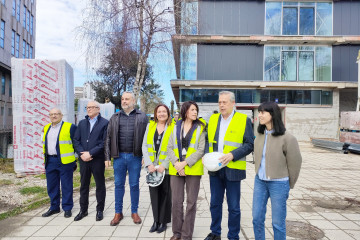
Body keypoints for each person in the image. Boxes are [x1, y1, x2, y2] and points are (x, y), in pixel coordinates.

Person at [205, 91, 254, 240]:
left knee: (233, 207)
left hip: (233, 169)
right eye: (219, 102)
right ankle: (215, 233)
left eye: (224, 102)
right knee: (215, 203)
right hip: (215, 169)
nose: (221, 105)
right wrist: (206, 157)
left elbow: (250, 144)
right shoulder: (213, 119)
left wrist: (233, 155)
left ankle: (233, 236)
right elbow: (208, 140)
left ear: (233, 103)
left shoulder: (243, 119)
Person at [252, 102, 302, 240]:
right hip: (260, 182)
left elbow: (295, 163)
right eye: (259, 112)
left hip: (279, 184)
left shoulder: (288, 138)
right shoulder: (259, 134)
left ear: (272, 114)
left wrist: (289, 184)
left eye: (263, 112)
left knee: (278, 223)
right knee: (256, 219)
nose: (259, 115)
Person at [105, 91, 148, 226]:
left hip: (135, 157)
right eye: (123, 99)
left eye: (127, 99)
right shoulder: (115, 117)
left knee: (134, 185)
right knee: (118, 185)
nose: (124, 101)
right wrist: (107, 156)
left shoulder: (142, 117)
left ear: (133, 101)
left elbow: (148, 138)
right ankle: (118, 212)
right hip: (118, 157)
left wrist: (146, 156)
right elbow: (108, 138)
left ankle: (134, 212)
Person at [167, 101, 206, 240]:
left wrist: (184, 164)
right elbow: (169, 147)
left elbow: (201, 150)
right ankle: (177, 233)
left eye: (196, 110)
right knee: (176, 201)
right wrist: (177, 164)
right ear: (185, 111)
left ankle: (186, 234)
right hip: (176, 167)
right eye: (192, 110)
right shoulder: (175, 126)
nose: (195, 112)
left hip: (193, 169)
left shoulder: (201, 128)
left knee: (191, 203)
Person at [73, 101, 109, 221]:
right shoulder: (82, 123)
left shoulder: (105, 123)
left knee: (100, 185)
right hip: (83, 159)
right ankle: (83, 210)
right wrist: (82, 153)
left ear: (98, 109)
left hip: (97, 159)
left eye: (91, 107)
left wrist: (91, 153)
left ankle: (100, 210)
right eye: (87, 107)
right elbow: (76, 140)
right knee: (84, 185)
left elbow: (104, 142)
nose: (89, 109)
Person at [142, 104, 173, 233]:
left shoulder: (173, 127)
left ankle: (164, 221)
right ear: (155, 114)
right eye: (159, 111)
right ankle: (156, 220)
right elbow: (144, 145)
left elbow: (174, 148)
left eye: (164, 111)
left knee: (166, 194)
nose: (161, 114)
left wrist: (164, 165)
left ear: (168, 113)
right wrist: (149, 163)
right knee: (154, 195)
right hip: (152, 168)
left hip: (166, 168)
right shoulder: (150, 126)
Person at [42, 108, 77, 218]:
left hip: (65, 162)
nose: (54, 116)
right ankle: (54, 207)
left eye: (56, 114)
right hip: (50, 160)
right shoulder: (46, 127)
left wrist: (75, 159)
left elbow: (76, 144)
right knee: (52, 186)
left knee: (66, 185)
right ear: (49, 116)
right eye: (51, 114)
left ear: (61, 115)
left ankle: (67, 208)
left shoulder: (70, 127)